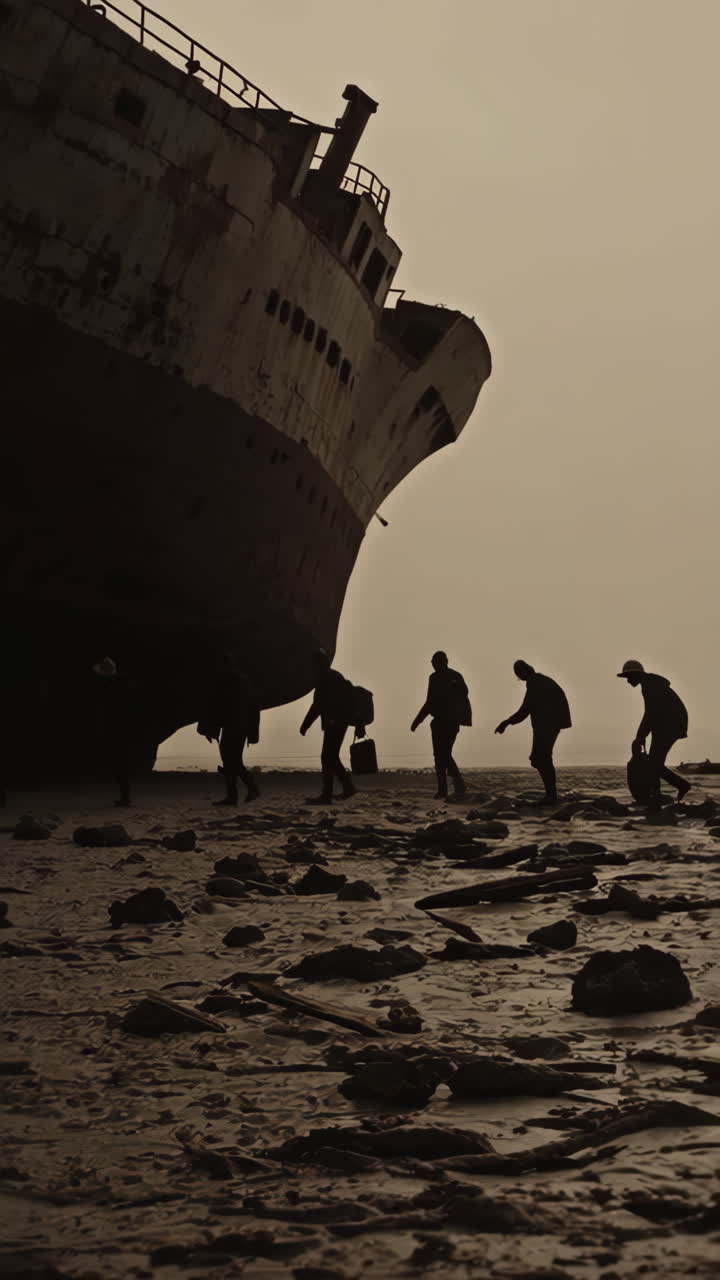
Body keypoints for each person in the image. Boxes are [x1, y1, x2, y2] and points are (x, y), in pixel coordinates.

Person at [495, 660, 571, 805]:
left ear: (524, 671)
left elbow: (525, 710)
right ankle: (551, 794)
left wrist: (506, 722)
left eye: (519, 674)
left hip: (548, 723)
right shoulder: (538, 680)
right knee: (541, 758)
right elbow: (527, 709)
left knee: (540, 758)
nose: (520, 677)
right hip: (549, 723)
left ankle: (551, 795)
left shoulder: (536, 683)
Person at [617, 659, 690, 805]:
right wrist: (641, 735)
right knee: (655, 763)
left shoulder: (650, 686)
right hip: (667, 725)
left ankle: (662, 793)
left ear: (636, 674)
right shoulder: (650, 684)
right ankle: (662, 792)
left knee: (654, 764)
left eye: (628, 677)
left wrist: (640, 736)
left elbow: (651, 713)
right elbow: (650, 713)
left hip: (669, 725)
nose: (627, 681)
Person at [198, 655, 260, 805]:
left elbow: (218, 706)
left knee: (230, 759)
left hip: (232, 725)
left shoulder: (226, 681)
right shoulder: (244, 680)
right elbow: (253, 706)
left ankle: (242, 792)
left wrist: (210, 729)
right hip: (241, 725)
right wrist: (252, 731)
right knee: (233, 760)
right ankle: (242, 792)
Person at [299, 649, 358, 804]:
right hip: (339, 721)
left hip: (335, 722)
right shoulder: (333, 675)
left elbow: (318, 705)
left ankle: (327, 795)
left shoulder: (325, 677)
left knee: (327, 757)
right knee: (332, 756)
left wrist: (306, 724)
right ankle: (347, 787)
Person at [411, 651, 471, 800]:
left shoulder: (453, 677)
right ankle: (451, 787)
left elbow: (463, 694)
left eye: (435, 661)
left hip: (450, 722)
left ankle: (453, 786)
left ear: (443, 662)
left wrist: (418, 720)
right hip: (440, 722)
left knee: (442, 755)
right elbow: (430, 702)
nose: (433, 664)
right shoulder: (436, 677)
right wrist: (418, 720)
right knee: (441, 755)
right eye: (433, 661)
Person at [92, 657, 135, 806]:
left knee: (119, 762)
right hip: (120, 728)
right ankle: (125, 796)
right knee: (119, 762)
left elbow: (113, 708)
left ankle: (125, 797)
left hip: (117, 729)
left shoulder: (114, 685)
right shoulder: (120, 684)